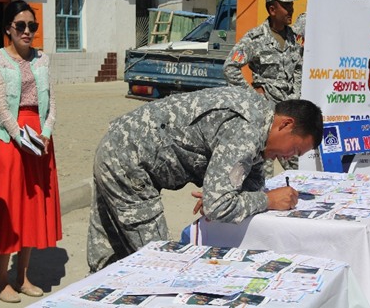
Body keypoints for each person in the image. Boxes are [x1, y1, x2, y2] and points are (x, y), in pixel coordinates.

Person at [87, 86, 323, 272]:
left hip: (118, 148)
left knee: (112, 254)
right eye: (294, 149)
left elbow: (244, 186)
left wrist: (226, 195)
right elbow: (219, 205)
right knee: (159, 263)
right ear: (286, 124)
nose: (288, 157)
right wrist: (266, 200)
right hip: (128, 164)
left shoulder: (261, 119)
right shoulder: (248, 129)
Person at [0, 0, 61, 303]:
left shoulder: (43, 60)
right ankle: (0, 280)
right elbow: (0, 107)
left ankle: (22, 275)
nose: (27, 31)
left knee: (29, 208)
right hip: (10, 141)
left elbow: (52, 100)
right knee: (8, 210)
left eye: (32, 26)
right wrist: (20, 137)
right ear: (8, 29)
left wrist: (47, 132)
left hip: (40, 140)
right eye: (20, 26)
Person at [223, 0, 304, 176]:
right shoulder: (255, 38)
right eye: (286, 6)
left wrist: (296, 94)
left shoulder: (292, 38)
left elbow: (299, 67)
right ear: (272, 9)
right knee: (263, 173)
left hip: (288, 114)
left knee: (297, 169)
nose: (291, 10)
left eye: (291, 5)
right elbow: (230, 68)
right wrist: (252, 97)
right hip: (265, 115)